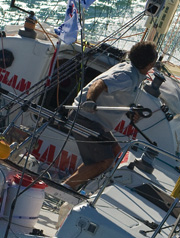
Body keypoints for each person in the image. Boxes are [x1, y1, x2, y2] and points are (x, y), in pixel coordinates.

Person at [63, 41, 158, 190]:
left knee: (114, 151)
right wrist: (90, 101)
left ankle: (73, 185)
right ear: (149, 65)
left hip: (95, 121)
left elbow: (117, 95)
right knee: (105, 161)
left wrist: (131, 110)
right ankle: (67, 187)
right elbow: (99, 84)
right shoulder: (126, 76)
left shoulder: (130, 72)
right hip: (85, 117)